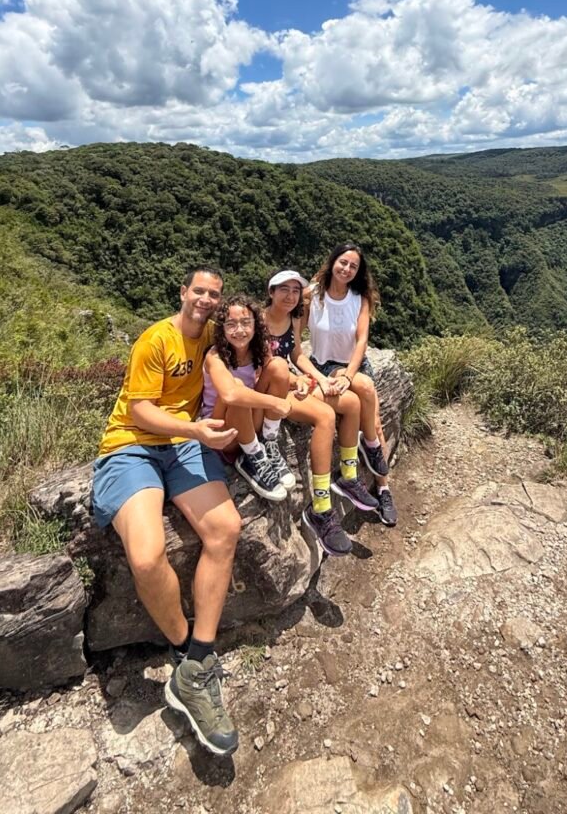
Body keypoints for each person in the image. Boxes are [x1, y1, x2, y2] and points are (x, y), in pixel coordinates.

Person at [91, 266, 290, 757]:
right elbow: (139, 410)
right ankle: (186, 653)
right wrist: (195, 431)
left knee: (225, 528)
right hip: (132, 447)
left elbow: (256, 354)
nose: (205, 299)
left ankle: (197, 661)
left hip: (183, 447)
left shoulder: (213, 341)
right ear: (183, 292)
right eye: (198, 291)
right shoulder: (156, 340)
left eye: (213, 294)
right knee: (145, 557)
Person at [256, 269, 364, 556]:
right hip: (270, 390)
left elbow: (296, 355)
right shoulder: (258, 321)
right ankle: (321, 506)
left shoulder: (292, 318)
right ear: (271, 291)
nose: (291, 296)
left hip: (293, 382)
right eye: (284, 289)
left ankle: (349, 475)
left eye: (295, 291)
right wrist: (297, 381)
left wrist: (321, 379)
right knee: (326, 416)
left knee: (352, 403)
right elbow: (266, 364)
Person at [305, 243, 397, 527]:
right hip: (324, 365)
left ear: (358, 271)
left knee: (376, 423)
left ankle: (383, 488)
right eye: (343, 262)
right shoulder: (312, 294)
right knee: (366, 392)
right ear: (333, 262)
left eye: (353, 266)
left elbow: (361, 340)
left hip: (354, 365)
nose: (346, 269)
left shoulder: (360, 298)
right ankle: (370, 453)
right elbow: (286, 316)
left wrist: (349, 374)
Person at [200, 293, 289, 503]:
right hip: (222, 431)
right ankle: (252, 457)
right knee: (237, 389)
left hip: (248, 422)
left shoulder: (258, 349)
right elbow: (230, 394)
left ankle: (268, 441)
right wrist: (276, 402)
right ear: (222, 329)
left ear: (256, 325)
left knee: (279, 366)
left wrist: (299, 381)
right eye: (231, 324)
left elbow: (276, 374)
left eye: (246, 323)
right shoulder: (215, 357)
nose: (239, 330)